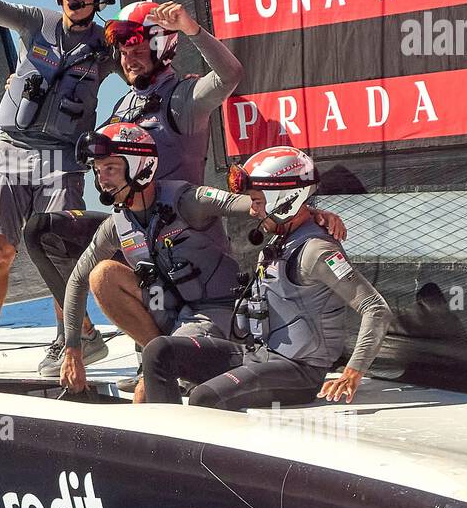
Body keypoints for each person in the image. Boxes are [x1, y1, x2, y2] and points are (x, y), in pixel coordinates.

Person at [25, 0, 244, 375]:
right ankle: (87, 339)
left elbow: (229, 75)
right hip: (135, 232)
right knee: (42, 231)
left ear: (163, 47)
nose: (129, 59)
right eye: (124, 52)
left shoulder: (185, 98)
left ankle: (161, 363)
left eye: (139, 50)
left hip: (181, 233)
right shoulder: (124, 104)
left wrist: (193, 30)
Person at [57, 126, 347, 396]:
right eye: (97, 170)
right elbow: (77, 280)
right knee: (102, 275)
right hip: (170, 313)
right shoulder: (116, 224)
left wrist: (308, 212)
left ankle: (164, 364)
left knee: (145, 392)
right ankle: (160, 358)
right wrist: (73, 348)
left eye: (110, 168)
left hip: (216, 314)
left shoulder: (188, 200)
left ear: (140, 167)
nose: (101, 178)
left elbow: (252, 204)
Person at [0, 0, 119, 374]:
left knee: (58, 253)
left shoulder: (106, 46)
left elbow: (141, 70)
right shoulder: (36, 22)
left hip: (63, 160)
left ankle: (68, 342)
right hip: (12, 152)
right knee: (0, 250)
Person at [138, 146, 391, 410]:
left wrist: (353, 371)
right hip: (257, 355)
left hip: (298, 371)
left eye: (258, 201)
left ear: (284, 199)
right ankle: (167, 440)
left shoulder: (318, 250)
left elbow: (375, 309)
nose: (253, 210)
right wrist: (315, 213)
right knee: (159, 352)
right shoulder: (284, 238)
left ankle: (188, 448)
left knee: (205, 397)